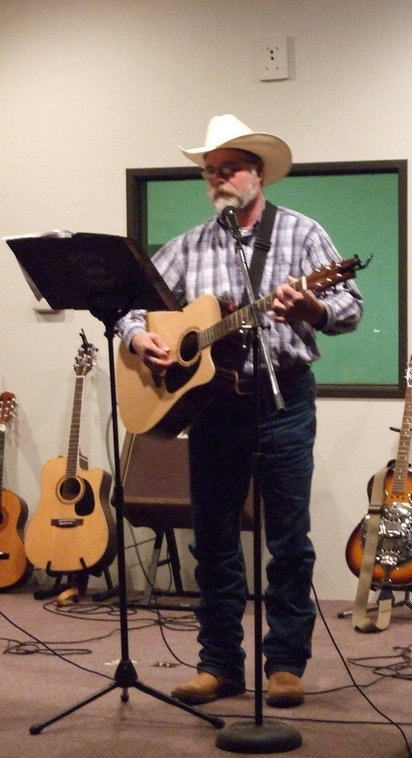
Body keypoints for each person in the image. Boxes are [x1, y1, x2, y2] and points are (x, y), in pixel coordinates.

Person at [116, 113, 363, 707]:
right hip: (213, 409)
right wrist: (137, 338)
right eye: (211, 171)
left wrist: (310, 309)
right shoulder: (187, 246)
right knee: (214, 537)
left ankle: (284, 665)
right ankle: (219, 663)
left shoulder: (302, 236)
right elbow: (131, 306)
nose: (219, 179)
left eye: (230, 168)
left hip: (282, 401)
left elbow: (349, 305)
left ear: (258, 175)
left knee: (288, 538)